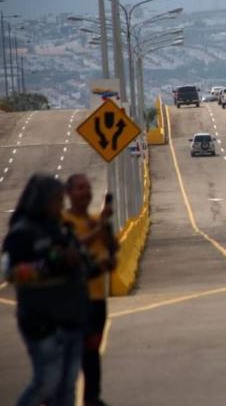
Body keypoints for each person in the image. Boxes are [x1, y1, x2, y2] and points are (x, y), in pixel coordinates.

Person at [1, 174, 92, 406]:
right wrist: (50, 264)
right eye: (56, 199)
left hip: (71, 318)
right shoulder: (22, 233)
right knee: (47, 382)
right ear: (42, 201)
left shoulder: (61, 229)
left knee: (67, 386)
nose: (61, 205)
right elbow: (10, 272)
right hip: (41, 321)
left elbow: (82, 257)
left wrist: (77, 259)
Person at [63, 174, 117, 406]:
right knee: (71, 354)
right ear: (69, 193)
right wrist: (97, 230)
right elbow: (70, 248)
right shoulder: (63, 222)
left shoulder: (96, 220)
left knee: (93, 353)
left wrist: (105, 227)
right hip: (72, 299)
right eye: (79, 188)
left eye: (87, 188)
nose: (85, 192)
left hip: (96, 297)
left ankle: (92, 397)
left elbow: (113, 248)